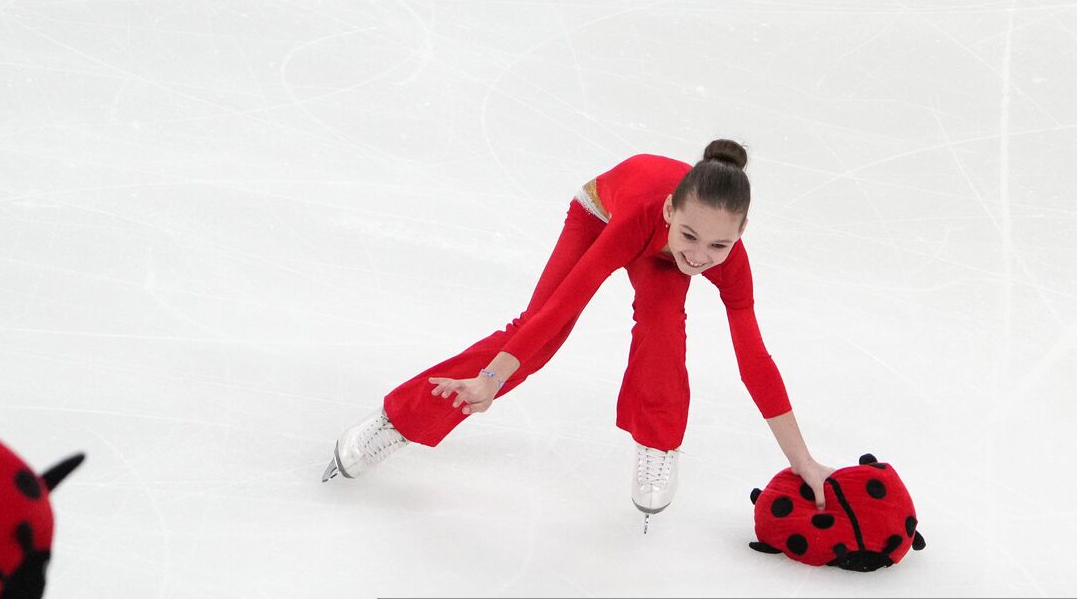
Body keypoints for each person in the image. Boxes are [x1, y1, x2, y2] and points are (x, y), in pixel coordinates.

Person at [322, 139, 834, 515]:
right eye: (690, 235)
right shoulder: (638, 218)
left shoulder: (724, 258)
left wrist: (802, 459)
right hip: (601, 216)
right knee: (536, 340)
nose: (699, 257)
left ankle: (657, 444)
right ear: (669, 210)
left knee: (663, 331)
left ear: (741, 233)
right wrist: (491, 380)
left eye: (718, 246)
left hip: (657, 244)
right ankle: (397, 421)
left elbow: (754, 361)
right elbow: (558, 310)